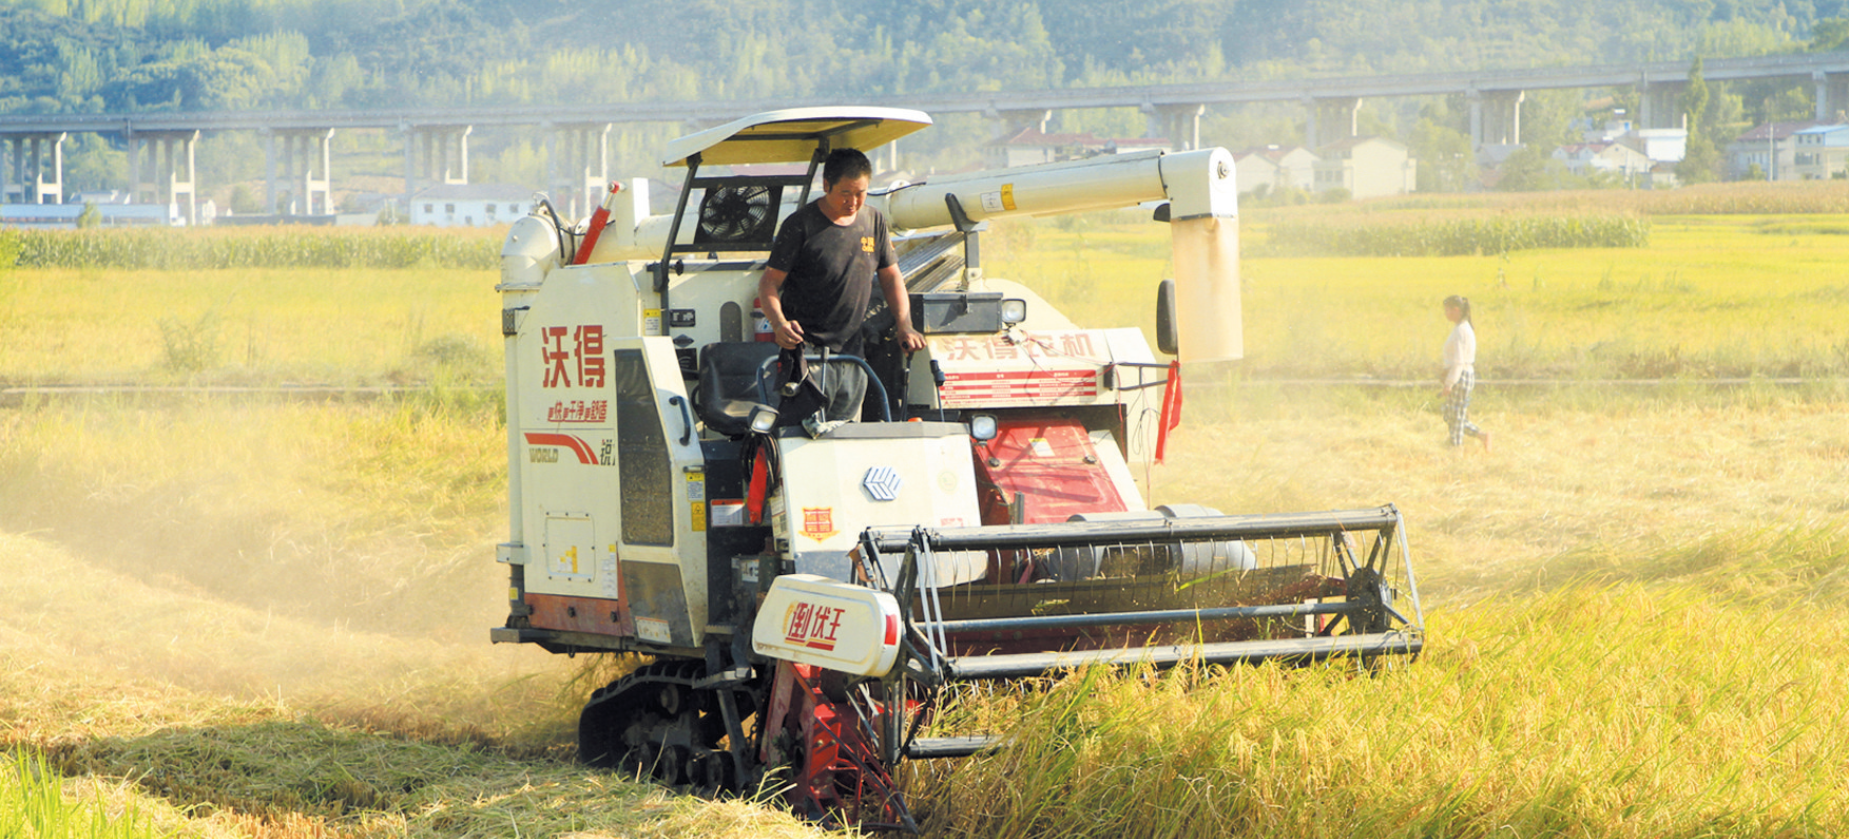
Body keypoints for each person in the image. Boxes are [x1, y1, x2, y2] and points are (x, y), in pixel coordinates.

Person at [757, 148, 927, 423]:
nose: (853, 201)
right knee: (804, 436)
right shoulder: (800, 225)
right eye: (845, 193)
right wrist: (779, 324)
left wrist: (904, 324)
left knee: (848, 436)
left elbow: (892, 277)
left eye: (861, 193)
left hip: (852, 354)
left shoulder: (873, 221)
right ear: (826, 186)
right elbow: (768, 283)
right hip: (806, 353)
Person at [1440, 294, 1491, 451]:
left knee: (1456, 416)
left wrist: (1450, 383)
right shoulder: (1460, 328)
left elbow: (1459, 361)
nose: (1446, 314)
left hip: (1460, 376)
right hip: (1460, 375)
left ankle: (1456, 449)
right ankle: (1481, 436)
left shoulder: (1461, 331)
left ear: (1456, 310)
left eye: (1447, 310)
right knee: (1451, 414)